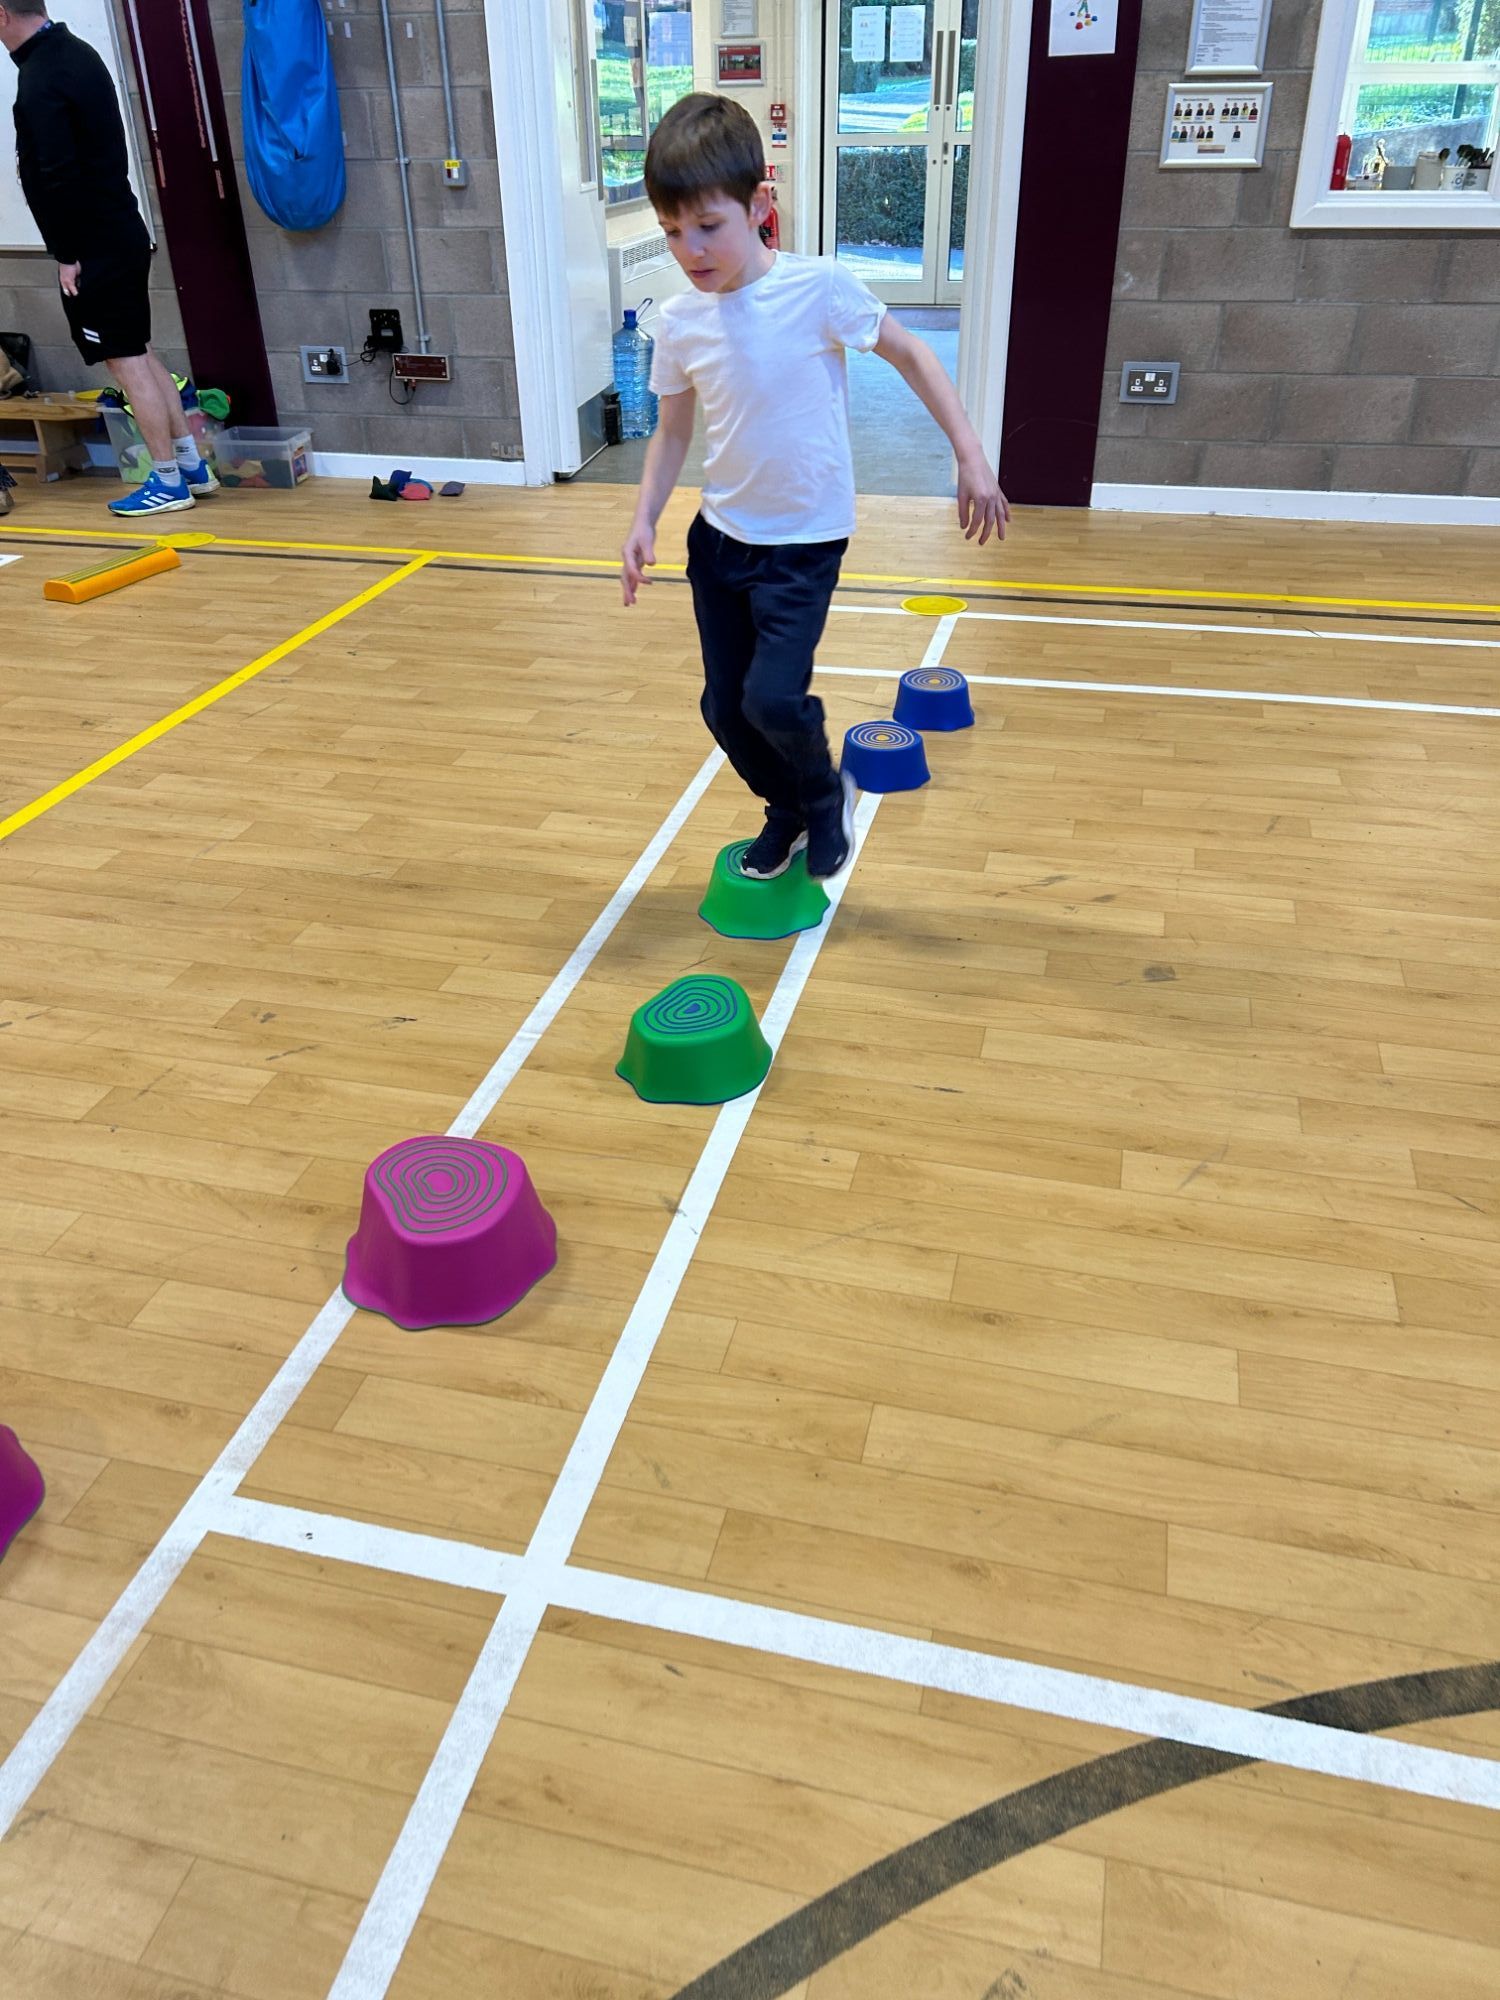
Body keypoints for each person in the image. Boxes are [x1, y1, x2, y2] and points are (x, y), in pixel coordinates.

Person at [621, 92, 1007, 882]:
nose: (691, 250)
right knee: (722, 709)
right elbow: (672, 433)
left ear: (760, 205)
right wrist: (644, 519)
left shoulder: (819, 288)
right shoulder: (682, 321)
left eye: (708, 226)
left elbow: (913, 354)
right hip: (719, 543)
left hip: (802, 544)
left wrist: (970, 456)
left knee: (771, 698)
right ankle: (789, 808)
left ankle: (825, 796)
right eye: (672, 232)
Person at [1, 0, 217, 516]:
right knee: (139, 352)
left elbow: (58, 174)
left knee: (127, 363)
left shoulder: (43, 76)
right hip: (119, 232)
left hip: (94, 245)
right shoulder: (75, 52)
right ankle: (191, 466)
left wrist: (67, 253)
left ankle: (167, 482)